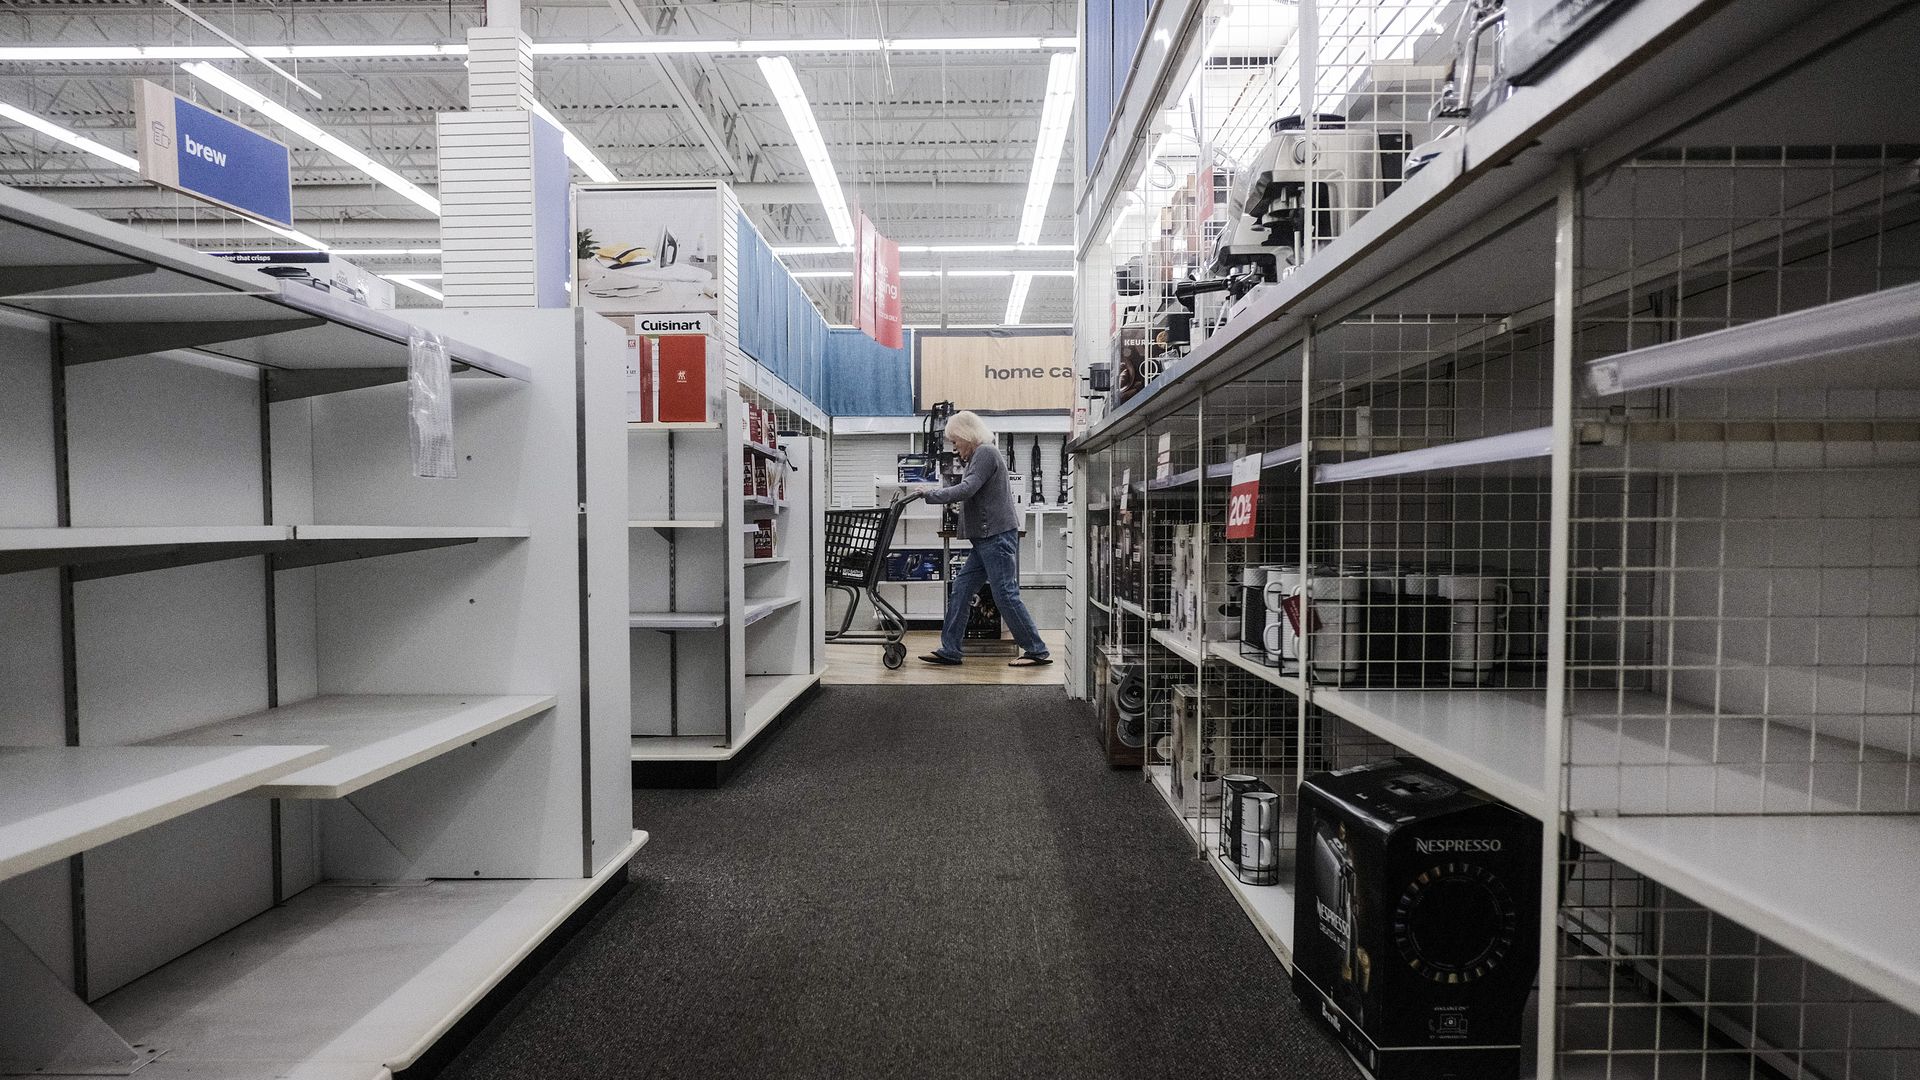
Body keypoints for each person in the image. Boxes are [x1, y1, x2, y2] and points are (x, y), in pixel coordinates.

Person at [916, 411, 1051, 667]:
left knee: (1005, 594)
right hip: (985, 539)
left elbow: (967, 489)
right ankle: (950, 650)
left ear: (967, 435)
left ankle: (1037, 650)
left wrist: (930, 494)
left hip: (995, 537)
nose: (954, 447)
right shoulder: (978, 456)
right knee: (961, 589)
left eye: (955, 441)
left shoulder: (985, 453)